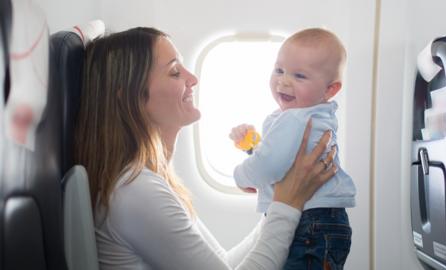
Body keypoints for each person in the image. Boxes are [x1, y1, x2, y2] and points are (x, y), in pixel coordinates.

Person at [74, 27, 338, 270]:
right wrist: (286, 203)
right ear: (130, 97)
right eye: (175, 72)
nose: (193, 78)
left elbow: (223, 263)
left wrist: (283, 197)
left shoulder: (152, 180)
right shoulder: (135, 191)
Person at [229, 28, 356, 270]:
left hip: (310, 223)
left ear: (330, 90)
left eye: (299, 76)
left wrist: (240, 176)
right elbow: (284, 159)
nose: (283, 81)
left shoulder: (295, 119)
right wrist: (252, 146)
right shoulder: (309, 115)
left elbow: (271, 165)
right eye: (279, 70)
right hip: (323, 222)